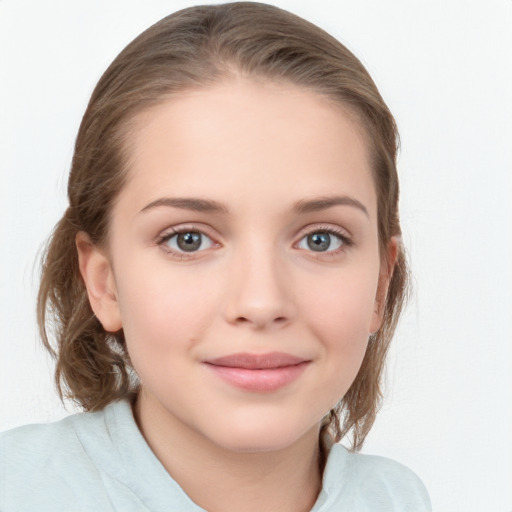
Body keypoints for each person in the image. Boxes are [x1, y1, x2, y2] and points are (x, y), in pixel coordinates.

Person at [0, 2, 431, 511]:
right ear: (105, 281)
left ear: (380, 284)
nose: (261, 301)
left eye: (321, 239)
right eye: (188, 239)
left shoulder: (398, 499)